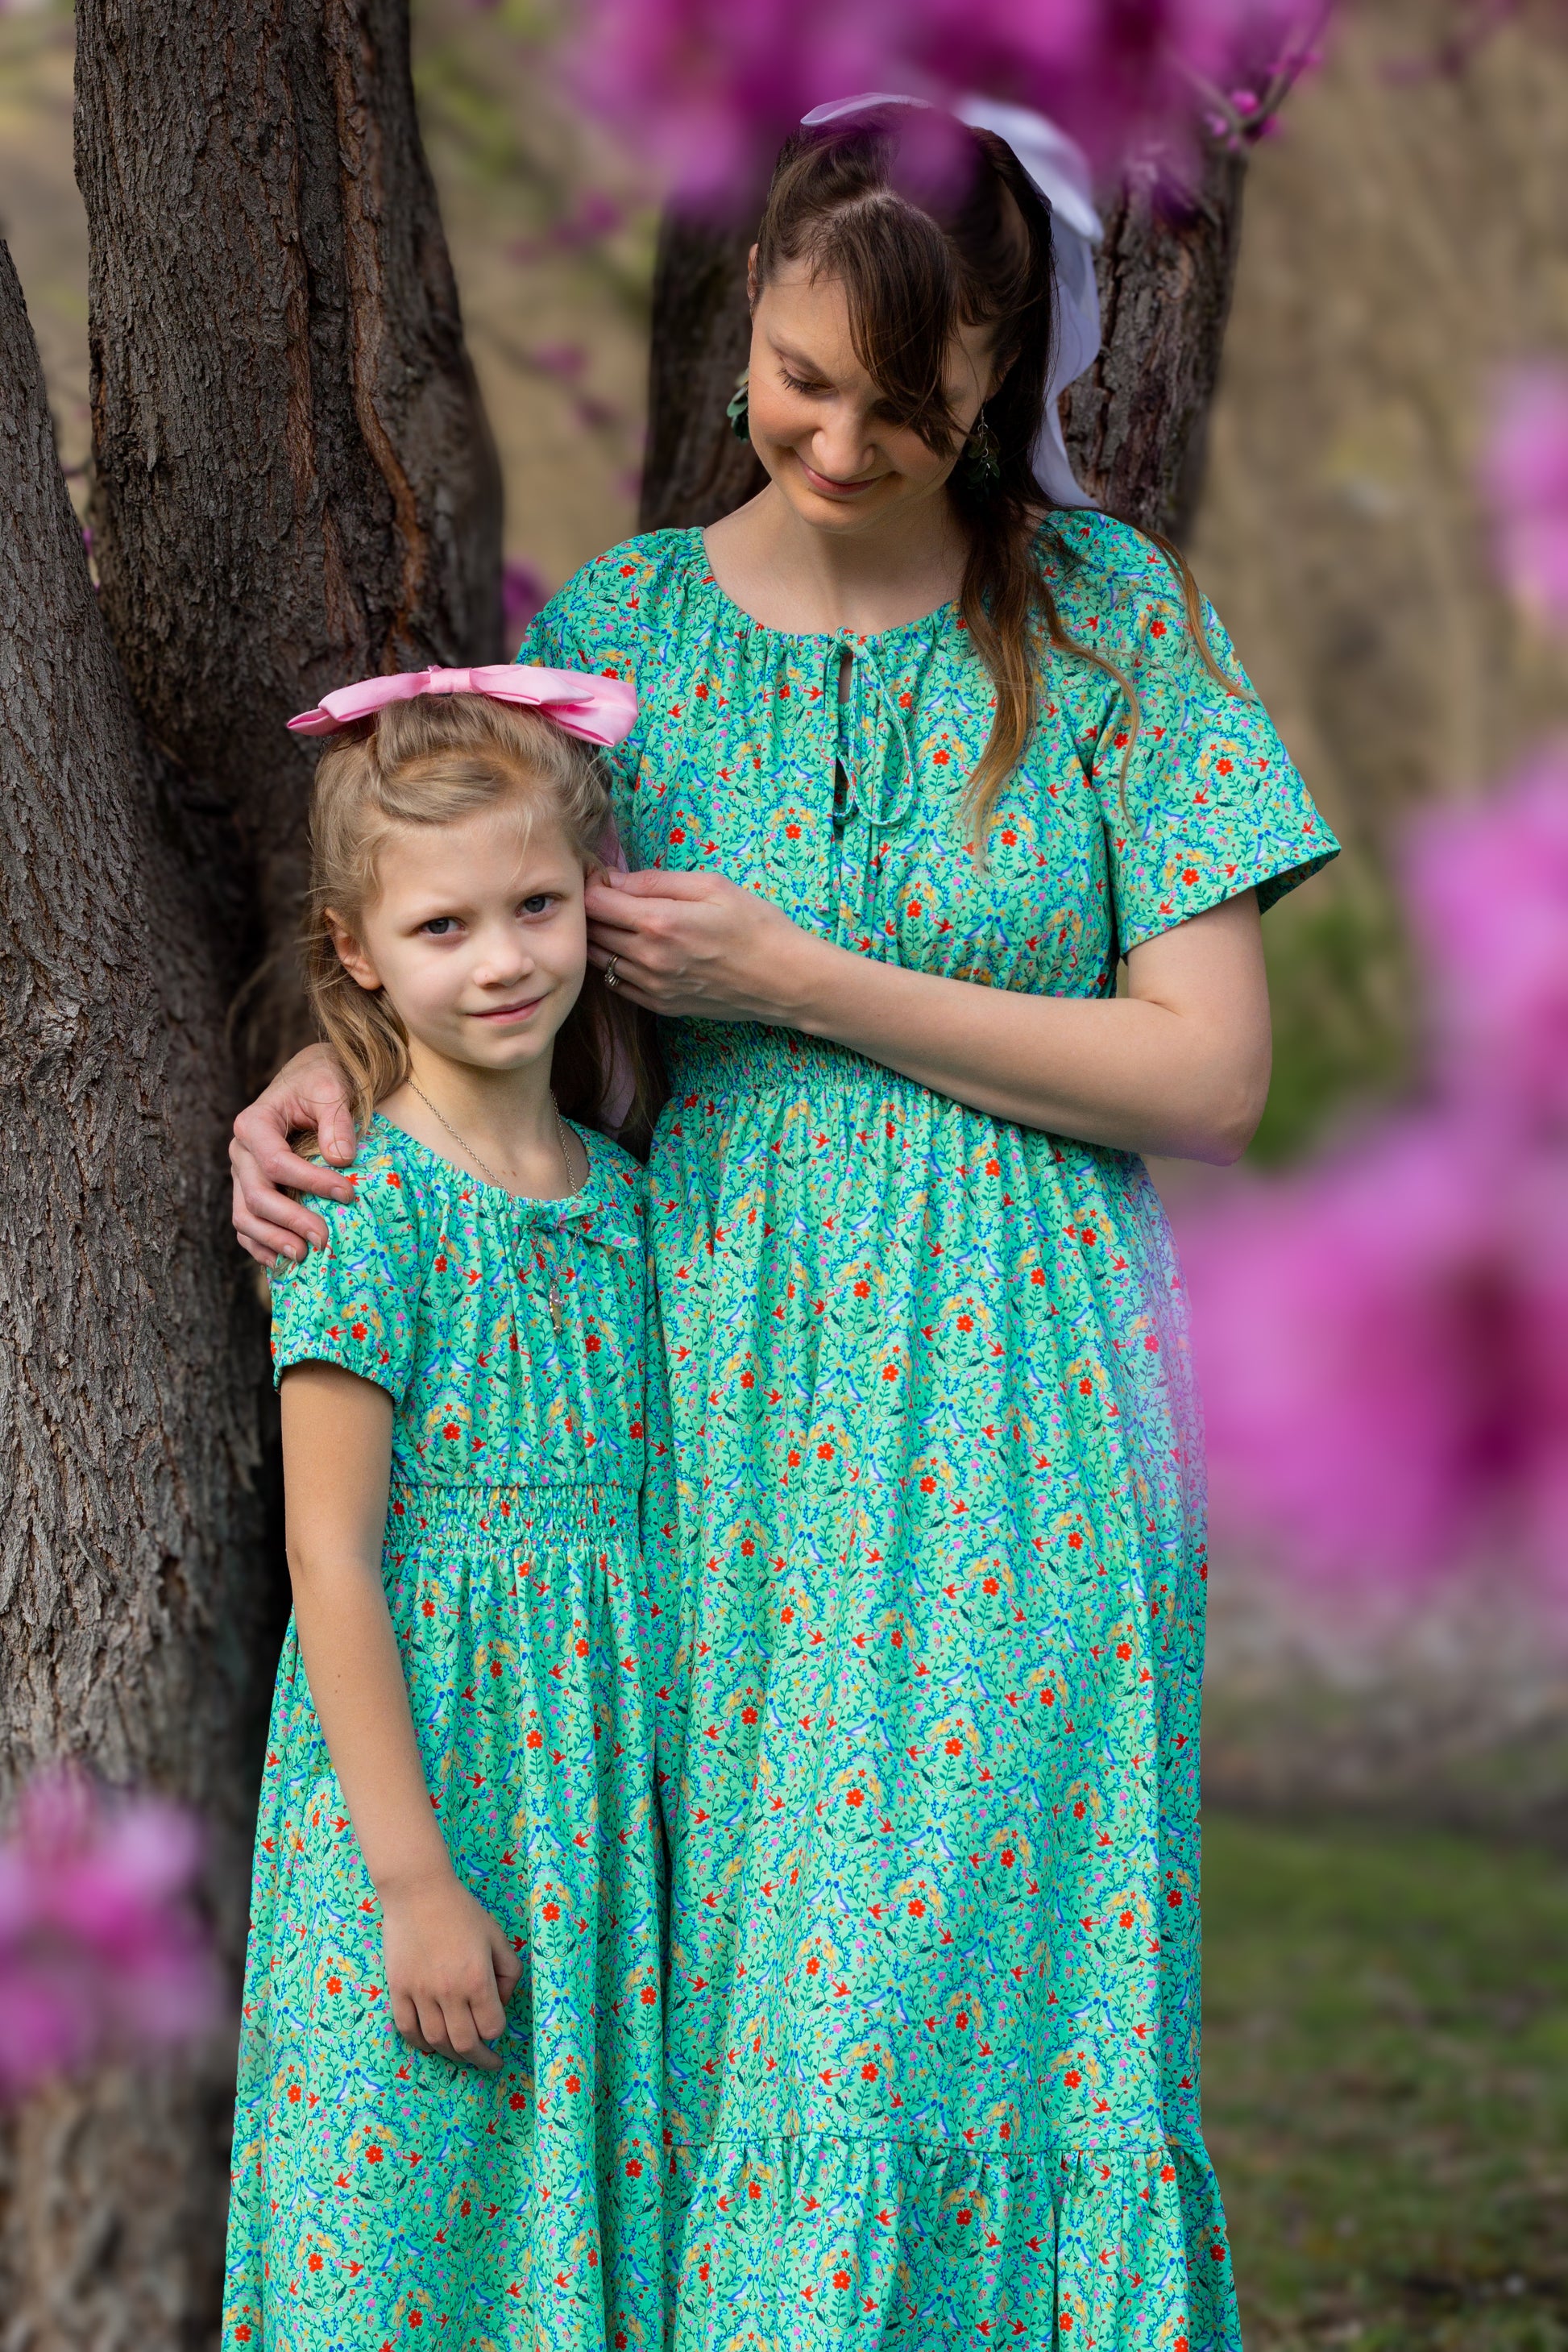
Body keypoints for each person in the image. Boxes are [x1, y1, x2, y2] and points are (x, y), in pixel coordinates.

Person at [232, 110, 1338, 2352]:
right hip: (702, 1419)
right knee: (736, 2012)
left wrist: (803, 978)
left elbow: (1210, 1079)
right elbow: (468, 928)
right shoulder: (626, 633)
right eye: (799, 379)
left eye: (904, 406)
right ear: (747, 323)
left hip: (1012, 1406)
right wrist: (329, 1076)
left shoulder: (1110, 624)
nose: (839, 441)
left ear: (1000, 370)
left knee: (931, 1991)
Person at [222, 673, 667, 2352]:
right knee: (402, 2215)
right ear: (358, 951)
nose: (502, 958)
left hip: (598, 1798)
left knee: (574, 2221)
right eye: (444, 924)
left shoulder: (633, 1199)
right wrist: (409, 1874)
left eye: (536, 903)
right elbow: (330, 1554)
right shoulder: (366, 1205)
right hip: (424, 1783)